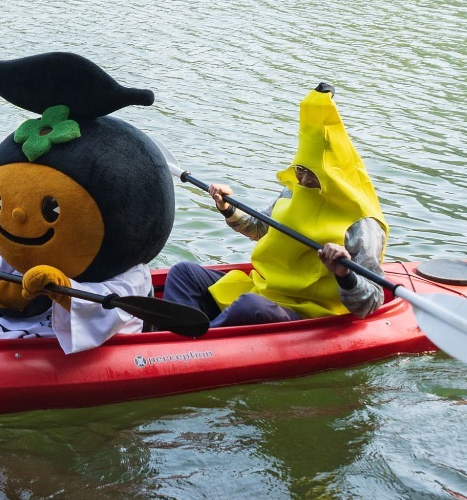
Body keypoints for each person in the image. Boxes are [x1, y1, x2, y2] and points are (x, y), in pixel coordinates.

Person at [0, 52, 175, 353]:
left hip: (97, 346)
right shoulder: (30, 252)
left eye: (51, 210)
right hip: (26, 328)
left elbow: (106, 309)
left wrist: (65, 291)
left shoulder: (129, 278)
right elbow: (5, 260)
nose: (17, 214)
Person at [163, 83, 389, 328]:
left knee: (249, 306)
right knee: (183, 273)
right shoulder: (293, 191)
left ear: (335, 175)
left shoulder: (362, 223)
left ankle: (197, 340)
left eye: (313, 175)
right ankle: (176, 335)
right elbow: (259, 229)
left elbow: (371, 302)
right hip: (265, 291)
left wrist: (344, 274)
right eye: (300, 169)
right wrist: (227, 207)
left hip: (310, 314)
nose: (303, 179)